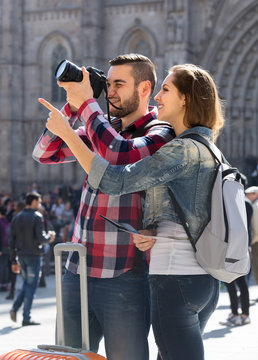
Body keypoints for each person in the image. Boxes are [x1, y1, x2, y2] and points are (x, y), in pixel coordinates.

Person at [37, 63, 223, 360]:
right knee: (67, 356)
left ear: (144, 88)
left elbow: (117, 159)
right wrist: (72, 109)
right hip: (78, 266)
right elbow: (45, 153)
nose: (109, 93)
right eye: (107, 84)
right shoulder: (103, 131)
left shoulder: (163, 133)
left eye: (118, 84)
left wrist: (85, 106)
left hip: (125, 273)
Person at [9, 192, 55, 326]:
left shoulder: (17, 217)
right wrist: (50, 238)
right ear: (34, 201)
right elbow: (41, 238)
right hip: (33, 256)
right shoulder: (37, 216)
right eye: (39, 202)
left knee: (26, 284)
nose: (40, 205)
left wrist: (13, 260)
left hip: (21, 255)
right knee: (31, 286)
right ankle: (26, 317)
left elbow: (11, 241)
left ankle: (15, 308)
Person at [220, 181, 253, 326]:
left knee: (233, 281)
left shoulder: (239, 202)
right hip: (242, 245)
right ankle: (242, 314)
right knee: (240, 282)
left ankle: (237, 314)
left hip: (235, 246)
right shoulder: (245, 202)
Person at [245, 186, 258, 299]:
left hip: (256, 242)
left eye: (250, 193)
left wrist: (252, 241)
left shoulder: (256, 206)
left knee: (256, 267)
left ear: (256, 194)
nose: (247, 195)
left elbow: (256, 229)